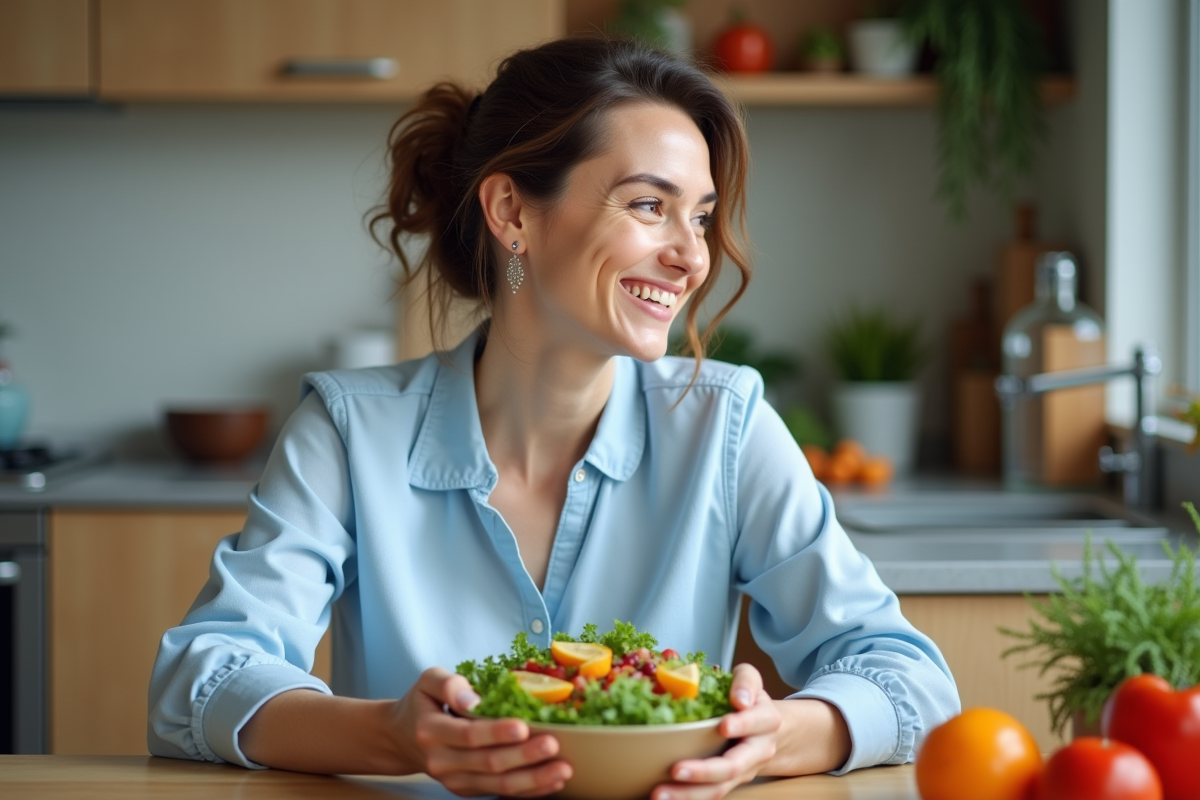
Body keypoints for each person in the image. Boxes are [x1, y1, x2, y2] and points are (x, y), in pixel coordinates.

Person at [148, 37, 959, 799]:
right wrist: (395, 738)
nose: (692, 255)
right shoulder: (348, 433)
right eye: (650, 206)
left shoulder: (726, 427)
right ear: (512, 213)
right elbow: (202, 677)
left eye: (702, 216)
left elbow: (912, 681)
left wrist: (773, 737)